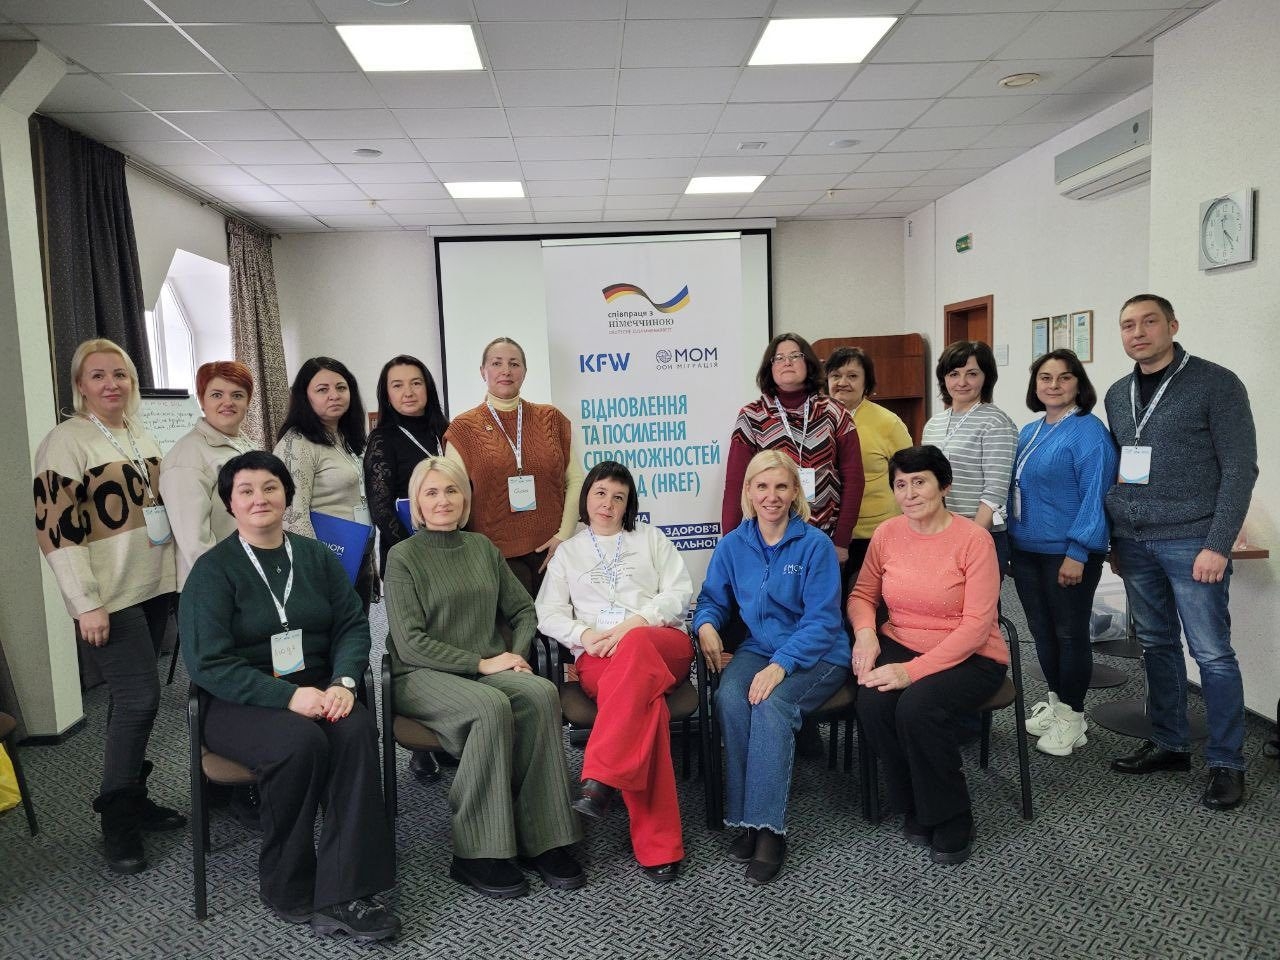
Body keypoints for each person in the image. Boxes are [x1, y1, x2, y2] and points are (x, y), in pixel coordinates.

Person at [180, 451, 397, 941]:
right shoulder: (213, 571)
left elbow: (351, 626)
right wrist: (286, 698)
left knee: (356, 731)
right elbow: (208, 663)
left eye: (270, 487)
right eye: (246, 491)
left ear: (286, 495)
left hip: (320, 686)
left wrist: (343, 681)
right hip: (238, 699)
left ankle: (346, 890)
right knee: (299, 743)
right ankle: (287, 881)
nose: (259, 498)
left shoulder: (316, 557)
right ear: (230, 504)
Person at [384, 456, 583, 899]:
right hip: (420, 674)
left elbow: (523, 610)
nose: (443, 500)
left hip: (486, 668)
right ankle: (476, 853)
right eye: (431, 492)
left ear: (465, 498)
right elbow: (411, 643)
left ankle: (543, 837)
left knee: (541, 694)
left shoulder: (481, 548)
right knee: (489, 707)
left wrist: (516, 655)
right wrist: (482, 663)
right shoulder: (402, 557)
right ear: (416, 503)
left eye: (451, 490)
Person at [33, 338, 184, 875]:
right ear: (80, 385)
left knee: (130, 701)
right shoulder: (65, 442)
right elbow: (56, 530)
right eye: (97, 375)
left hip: (153, 585)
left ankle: (132, 797)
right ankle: (116, 819)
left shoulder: (138, 432)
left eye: (119, 374)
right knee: (140, 699)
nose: (110, 384)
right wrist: (84, 604)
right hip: (109, 597)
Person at [1105, 295, 1257, 811]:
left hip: (1193, 540)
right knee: (1155, 644)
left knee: (1211, 653)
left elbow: (1240, 468)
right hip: (1134, 541)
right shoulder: (1118, 392)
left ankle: (1227, 762)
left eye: (1149, 321)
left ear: (1172, 325)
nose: (1138, 332)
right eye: (1128, 325)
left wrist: (1218, 543)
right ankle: (1170, 743)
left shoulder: (1217, 383)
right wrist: (1117, 539)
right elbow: (1121, 466)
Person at [695, 451, 849, 885]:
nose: (771, 496)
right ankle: (746, 818)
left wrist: (782, 665)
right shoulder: (733, 544)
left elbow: (823, 622)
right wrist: (705, 625)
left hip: (819, 653)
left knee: (771, 705)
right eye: (762, 486)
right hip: (759, 648)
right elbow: (711, 599)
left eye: (781, 486)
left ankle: (769, 829)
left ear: (796, 491)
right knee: (729, 697)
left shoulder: (815, 545)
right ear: (748, 491)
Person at [850, 446, 1009, 866]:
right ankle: (915, 802)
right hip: (902, 640)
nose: (909, 493)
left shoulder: (973, 540)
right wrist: (865, 635)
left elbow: (977, 626)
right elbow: (863, 595)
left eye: (919, 481)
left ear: (944, 486)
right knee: (872, 703)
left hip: (972, 654)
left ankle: (953, 814)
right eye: (900, 484)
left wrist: (912, 672)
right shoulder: (887, 534)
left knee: (917, 707)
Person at [537, 460, 695, 884]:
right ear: (586, 497)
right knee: (649, 710)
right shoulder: (568, 553)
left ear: (629, 505)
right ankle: (658, 846)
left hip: (661, 645)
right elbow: (547, 612)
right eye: (600, 493)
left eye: (618, 497)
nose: (608, 503)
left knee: (638, 644)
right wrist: (584, 634)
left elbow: (680, 592)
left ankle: (601, 775)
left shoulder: (651, 539)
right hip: (599, 654)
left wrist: (635, 625)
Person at [1007, 350, 1117, 757]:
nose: (1053, 385)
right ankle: (1057, 706)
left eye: (1064, 377)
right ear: (1035, 385)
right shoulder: (1030, 430)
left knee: (1070, 634)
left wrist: (1079, 550)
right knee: (1042, 632)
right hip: (1027, 550)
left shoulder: (1090, 432)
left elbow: (1097, 495)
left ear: (1078, 384)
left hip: (1066, 554)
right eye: (1045, 377)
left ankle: (1073, 716)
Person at [444, 336, 583, 597]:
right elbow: (453, 492)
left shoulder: (550, 418)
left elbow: (575, 480)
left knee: (557, 619)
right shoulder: (464, 428)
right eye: (497, 363)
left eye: (514, 364)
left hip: (553, 549)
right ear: (483, 371)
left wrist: (564, 536)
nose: (506, 370)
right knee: (515, 623)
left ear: (525, 372)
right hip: (494, 557)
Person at [722, 333, 862, 563]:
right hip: (767, 542)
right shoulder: (752, 415)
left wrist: (841, 541)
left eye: (795, 356)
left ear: (809, 363)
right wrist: (730, 544)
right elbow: (736, 483)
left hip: (824, 539)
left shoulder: (835, 412)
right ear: (770, 368)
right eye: (779, 358)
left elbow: (854, 479)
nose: (787, 362)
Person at [274, 357, 375, 610]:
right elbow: (293, 515)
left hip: (357, 552)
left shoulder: (347, 436)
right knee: (335, 630)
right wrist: (318, 569)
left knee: (358, 627)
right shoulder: (297, 443)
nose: (334, 395)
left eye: (341, 387)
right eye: (322, 389)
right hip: (328, 559)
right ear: (304, 396)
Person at [920, 341, 1018, 576]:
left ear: (986, 377)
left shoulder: (996, 422)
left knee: (977, 599)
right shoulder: (934, 424)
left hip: (979, 533)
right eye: (954, 374)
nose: (962, 382)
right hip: (938, 531)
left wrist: (969, 541)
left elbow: (994, 492)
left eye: (972, 374)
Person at [161, 361, 257, 589]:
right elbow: (195, 542)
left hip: (249, 574)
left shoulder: (249, 446)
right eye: (216, 395)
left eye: (237, 395)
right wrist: (228, 585)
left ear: (248, 401)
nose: (228, 402)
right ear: (202, 400)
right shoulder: (187, 457)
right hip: (215, 585)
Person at [824, 346, 913, 577]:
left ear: (866, 383)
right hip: (824, 530)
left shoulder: (888, 423)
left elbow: (911, 476)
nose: (843, 382)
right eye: (836, 375)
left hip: (875, 533)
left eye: (852, 376)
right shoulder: (815, 420)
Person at [363, 354, 448, 576]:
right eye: (397, 385)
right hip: (409, 555)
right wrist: (416, 553)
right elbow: (381, 509)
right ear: (387, 395)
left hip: (451, 544)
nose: (408, 392)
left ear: (428, 388)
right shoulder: (382, 439)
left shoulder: (445, 431)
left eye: (416, 383)